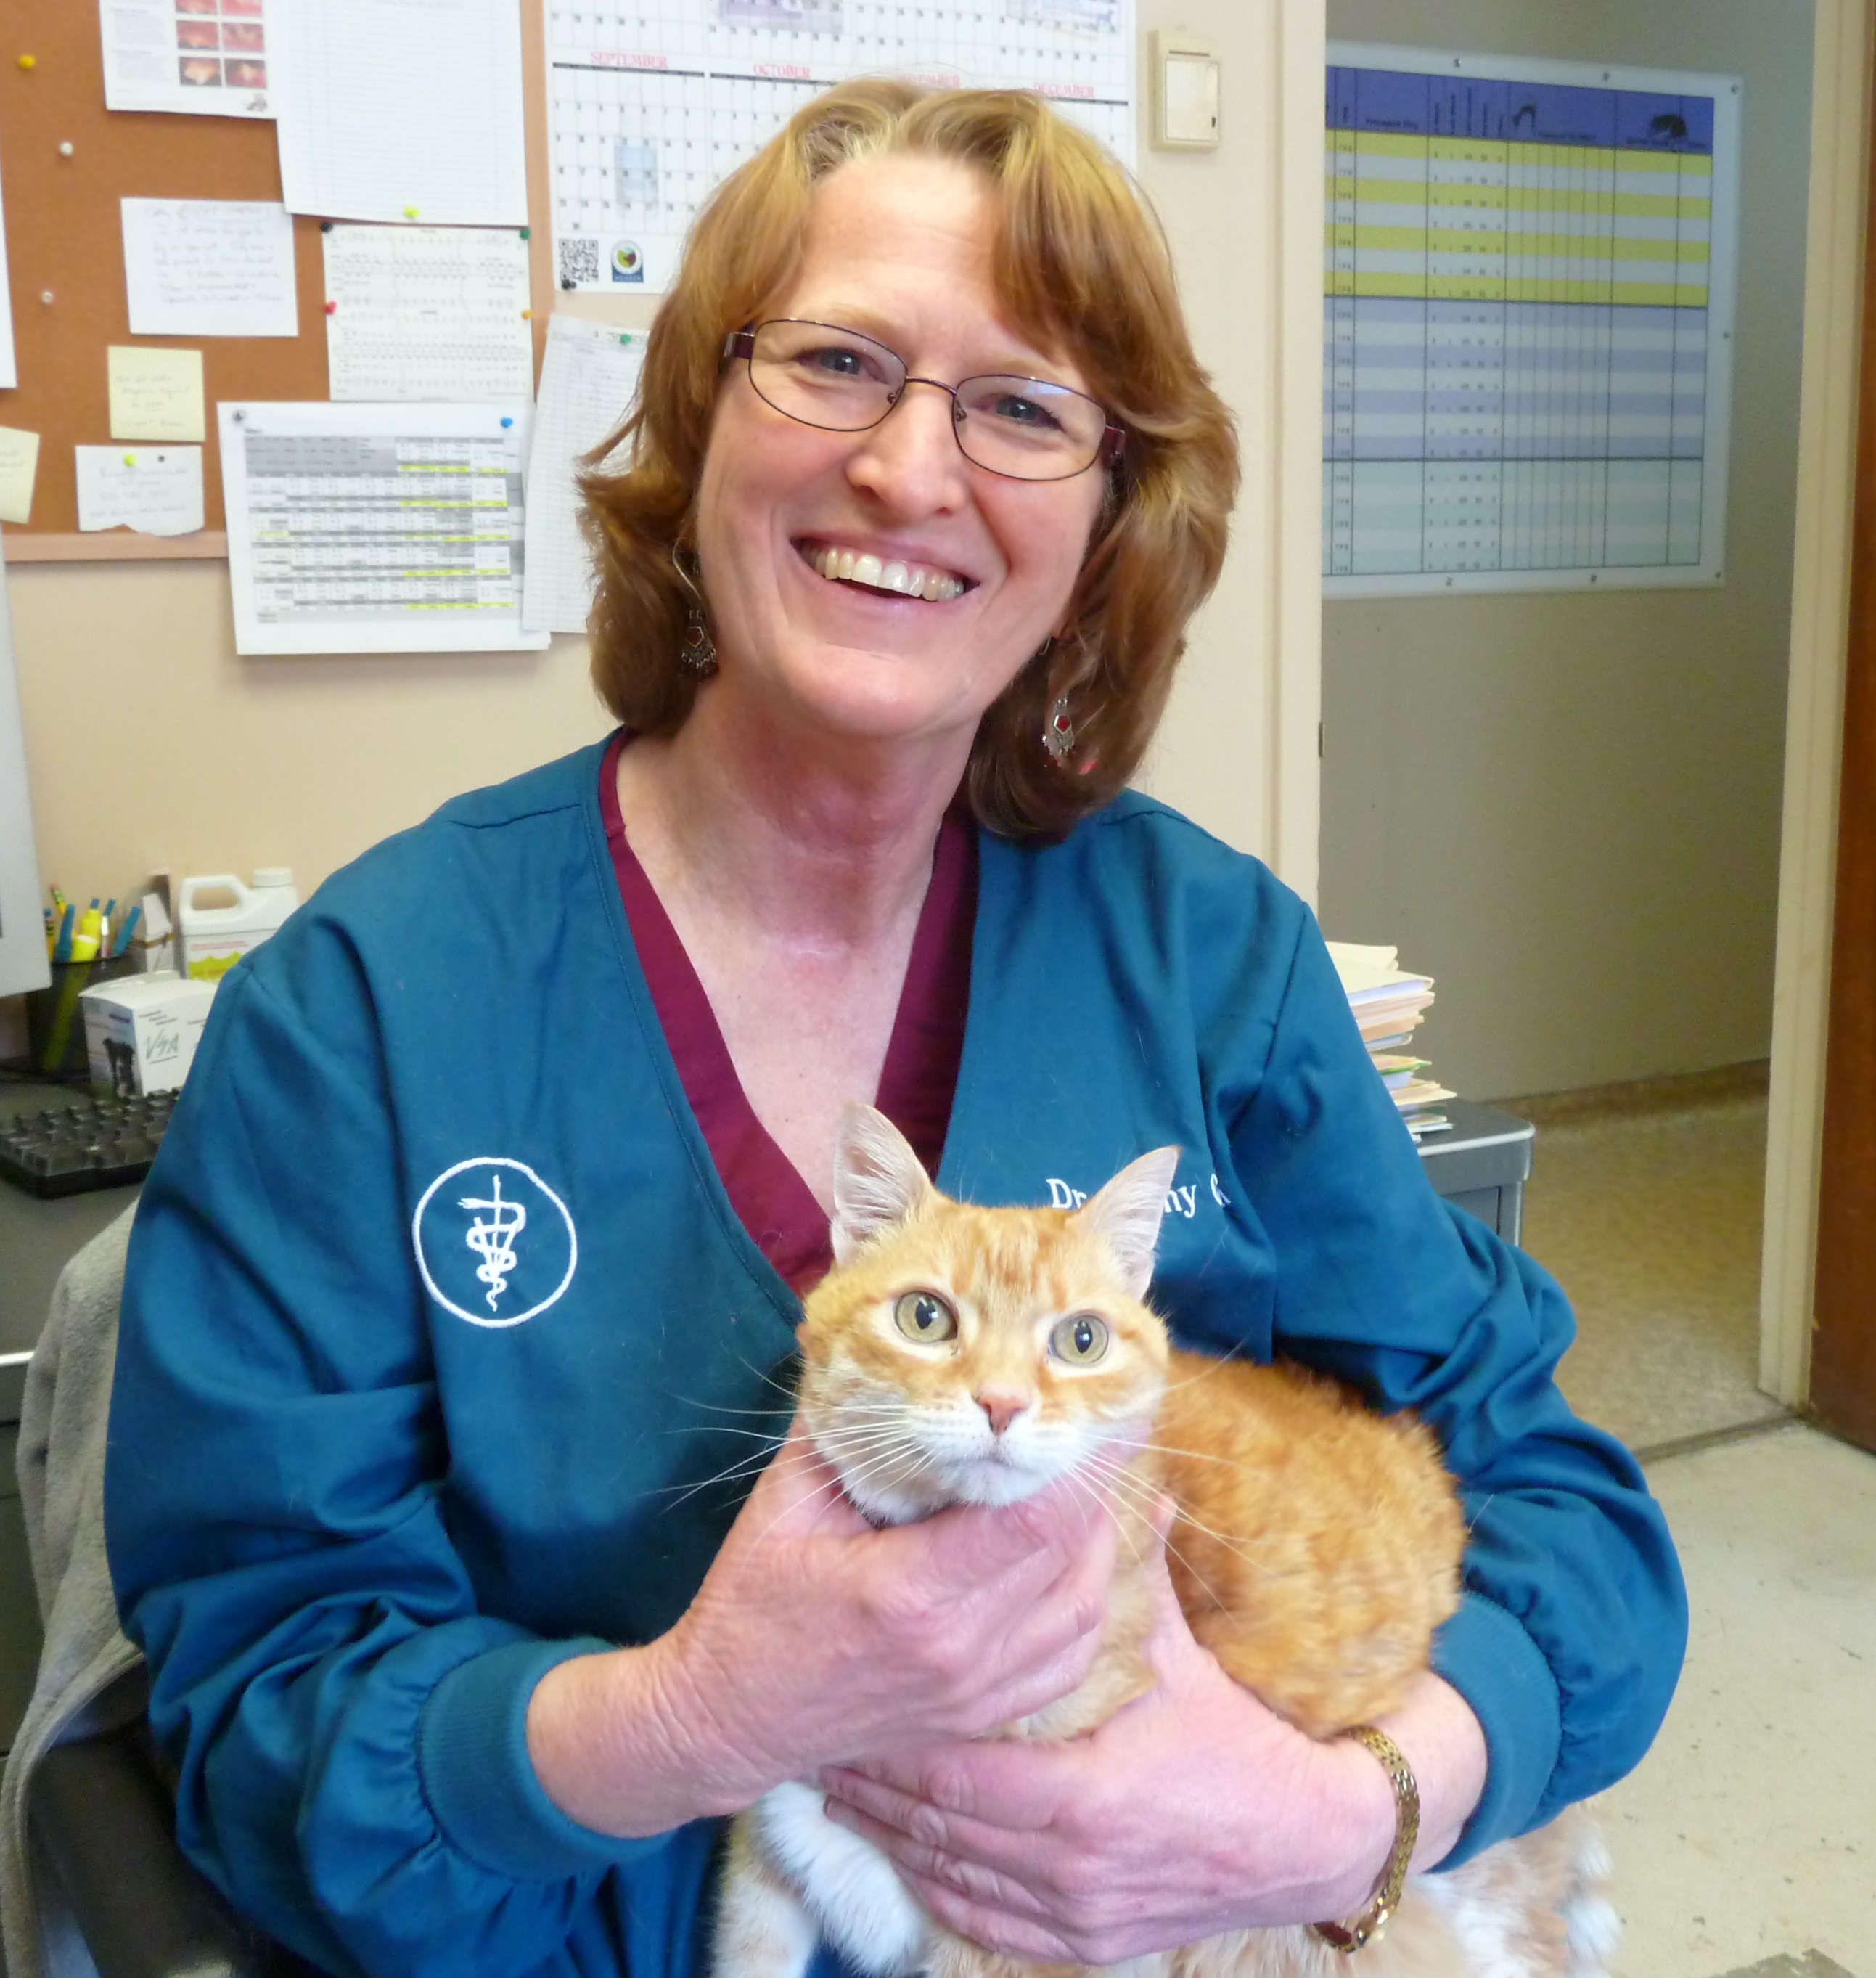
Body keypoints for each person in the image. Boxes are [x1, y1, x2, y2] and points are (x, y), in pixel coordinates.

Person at [105, 79, 1686, 1978]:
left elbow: (1552, 1510)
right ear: (699, 428)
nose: (907, 475)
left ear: (1107, 523)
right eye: (837, 364)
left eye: (1019, 408)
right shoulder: (367, 1014)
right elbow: (258, 1719)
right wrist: (693, 1716)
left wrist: (1349, 1813)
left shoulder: (1208, 963)